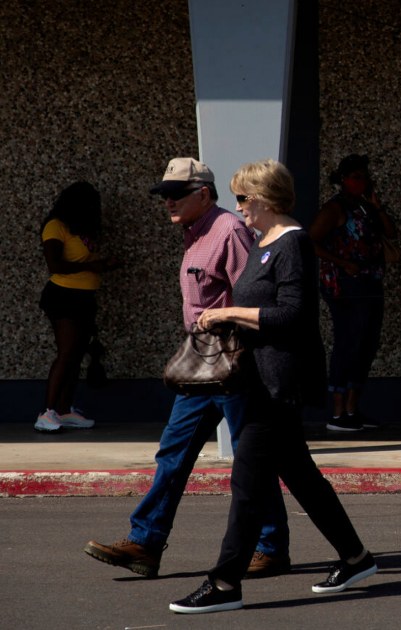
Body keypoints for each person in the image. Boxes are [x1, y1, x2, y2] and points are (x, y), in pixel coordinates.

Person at [170, 159, 376, 614]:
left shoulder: (293, 243)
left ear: (263, 198)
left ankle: (225, 582)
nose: (238, 207)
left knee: (247, 481)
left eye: (242, 198)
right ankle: (356, 557)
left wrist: (227, 313)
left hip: (280, 380)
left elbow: (293, 315)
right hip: (260, 376)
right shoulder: (265, 243)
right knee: (301, 476)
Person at [84, 158, 289, 579]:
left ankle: (270, 546)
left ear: (204, 194)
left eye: (176, 195)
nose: (168, 202)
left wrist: (236, 337)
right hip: (202, 364)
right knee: (172, 453)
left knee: (250, 459)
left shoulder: (228, 231)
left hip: (233, 362)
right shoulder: (194, 233)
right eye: (164, 196)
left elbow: (254, 297)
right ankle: (145, 542)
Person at [309, 154, 397, 432]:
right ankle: (337, 411)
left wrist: (377, 207)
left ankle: (353, 407)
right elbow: (310, 241)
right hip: (345, 286)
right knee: (349, 342)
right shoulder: (335, 208)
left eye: (365, 176)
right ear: (343, 180)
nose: (363, 181)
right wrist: (341, 262)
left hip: (370, 283)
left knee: (367, 344)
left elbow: (391, 234)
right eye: (356, 176)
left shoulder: (366, 207)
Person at [36, 181, 120, 432]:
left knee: (76, 355)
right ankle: (47, 412)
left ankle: (64, 409)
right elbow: (55, 265)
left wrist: (102, 264)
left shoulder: (80, 229)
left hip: (84, 296)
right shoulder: (55, 227)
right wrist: (93, 266)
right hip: (63, 295)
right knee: (66, 352)